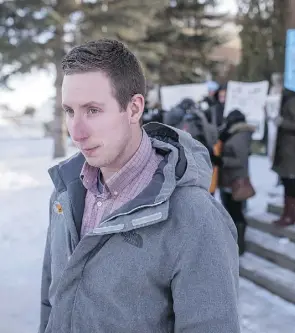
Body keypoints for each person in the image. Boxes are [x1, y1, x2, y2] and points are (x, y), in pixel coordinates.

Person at [39, 39, 240, 333]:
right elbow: (51, 301)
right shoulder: (65, 193)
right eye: (70, 111)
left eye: (93, 110)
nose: (77, 134)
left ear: (134, 109)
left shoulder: (195, 218)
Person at [214, 110, 255, 255]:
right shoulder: (234, 134)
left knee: (236, 212)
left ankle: (240, 244)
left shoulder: (240, 137)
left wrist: (221, 161)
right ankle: (235, 241)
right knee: (230, 211)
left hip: (235, 179)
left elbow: (240, 160)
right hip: (228, 179)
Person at [272, 89, 295, 226]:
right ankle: (287, 213)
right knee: (287, 181)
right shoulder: (288, 98)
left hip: (291, 149)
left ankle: (290, 215)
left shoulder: (294, 100)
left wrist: (282, 122)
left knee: (290, 181)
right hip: (286, 147)